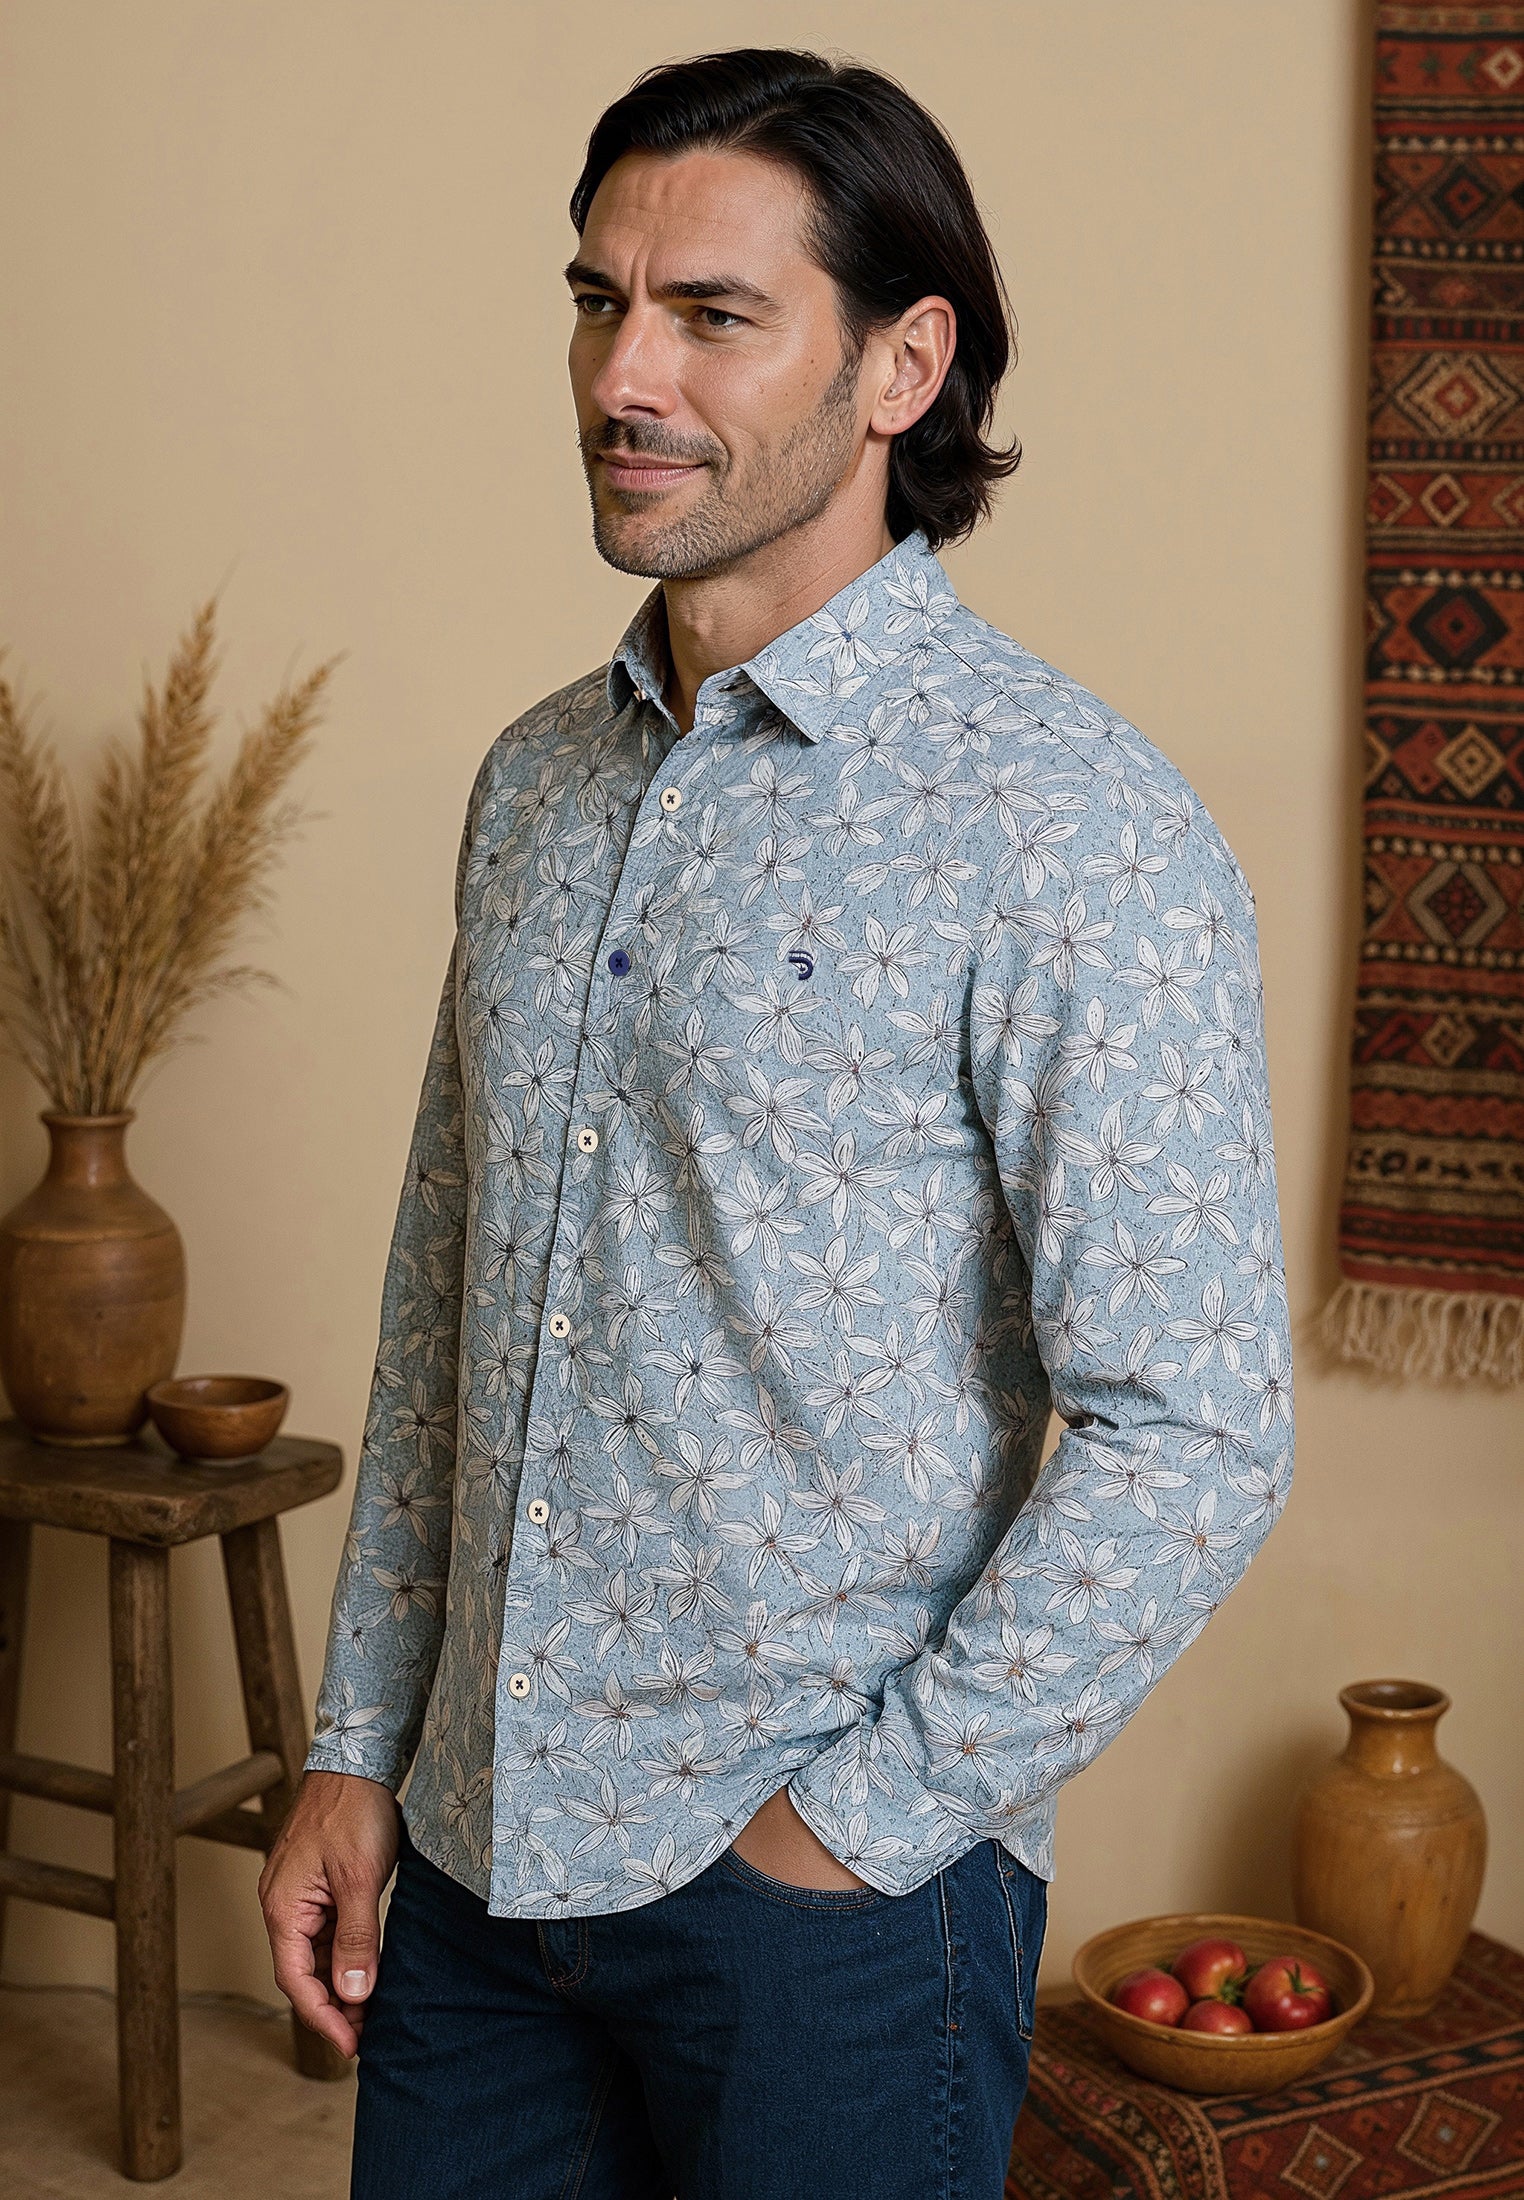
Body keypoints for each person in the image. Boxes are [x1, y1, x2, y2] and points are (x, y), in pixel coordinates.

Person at [259, 46, 1294, 2200]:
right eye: (598, 300)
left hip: (827, 1908)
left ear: (903, 365)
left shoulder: (1073, 826)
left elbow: (1194, 1427)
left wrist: (849, 1828)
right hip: (472, 1860)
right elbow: (450, 1289)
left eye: (712, 315)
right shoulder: (534, 785)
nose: (621, 376)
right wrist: (358, 1743)